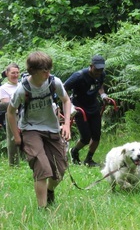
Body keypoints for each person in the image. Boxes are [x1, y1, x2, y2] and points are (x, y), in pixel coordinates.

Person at [7, 51, 72, 209]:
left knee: (60, 171)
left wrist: (67, 124)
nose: (48, 73)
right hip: (30, 129)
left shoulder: (53, 82)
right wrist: (17, 137)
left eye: (49, 69)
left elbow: (66, 100)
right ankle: (42, 209)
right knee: (42, 167)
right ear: (33, 71)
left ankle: (50, 191)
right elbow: (10, 112)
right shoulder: (23, 89)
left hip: (52, 128)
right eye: (44, 70)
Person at [64, 55, 110, 167]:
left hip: (93, 107)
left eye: (101, 69)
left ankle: (89, 159)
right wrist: (69, 106)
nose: (99, 72)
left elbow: (100, 85)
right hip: (80, 108)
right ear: (91, 66)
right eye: (96, 69)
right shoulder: (79, 76)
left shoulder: (101, 74)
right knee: (85, 137)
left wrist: (103, 95)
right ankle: (74, 151)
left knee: (96, 136)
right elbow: (63, 87)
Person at [0, 63, 21, 165]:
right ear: (7, 74)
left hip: (26, 114)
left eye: (17, 72)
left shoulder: (22, 85)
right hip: (13, 115)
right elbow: (6, 104)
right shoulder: (3, 88)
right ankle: (14, 163)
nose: (15, 75)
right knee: (13, 139)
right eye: (13, 73)